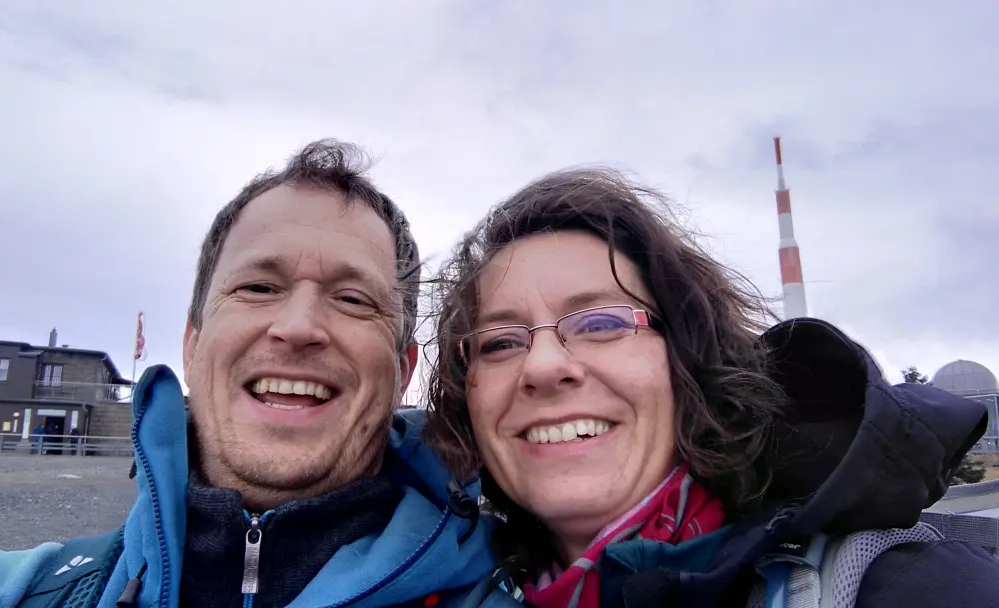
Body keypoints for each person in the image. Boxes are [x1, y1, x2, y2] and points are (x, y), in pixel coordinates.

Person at [0, 140, 506, 607]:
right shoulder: (17, 592)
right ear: (192, 344)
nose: (298, 326)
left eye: (354, 299)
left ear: (403, 370)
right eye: (258, 287)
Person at [423, 168, 999, 607]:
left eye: (601, 323)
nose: (543, 367)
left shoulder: (910, 586)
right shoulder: (443, 588)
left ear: (689, 364)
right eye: (499, 342)